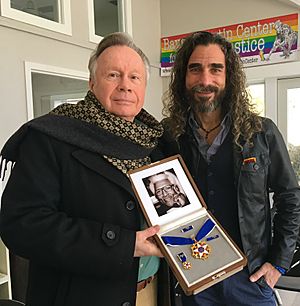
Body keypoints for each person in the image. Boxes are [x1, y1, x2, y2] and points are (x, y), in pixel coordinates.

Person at [0, 32, 169, 306]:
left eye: (135, 77)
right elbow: (22, 225)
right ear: (92, 83)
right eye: (113, 75)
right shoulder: (50, 137)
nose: (126, 85)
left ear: (144, 88)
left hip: (149, 293)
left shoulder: (154, 143)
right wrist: (123, 244)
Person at [161, 31, 300, 306]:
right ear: (183, 77)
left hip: (251, 278)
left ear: (229, 77)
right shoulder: (169, 135)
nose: (205, 80)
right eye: (195, 69)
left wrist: (278, 264)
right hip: (195, 279)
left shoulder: (262, 132)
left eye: (216, 69)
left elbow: (290, 198)